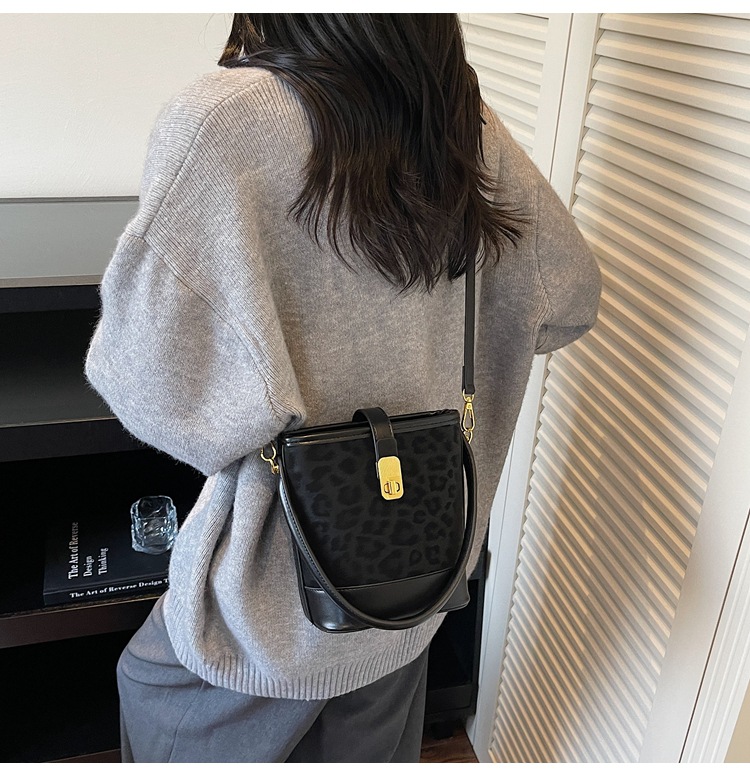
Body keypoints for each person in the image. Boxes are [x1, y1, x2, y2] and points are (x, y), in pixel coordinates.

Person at [83, 13, 601, 763]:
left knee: (151, 685)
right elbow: (567, 298)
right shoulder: (459, 118)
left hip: (268, 609)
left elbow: (153, 390)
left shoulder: (224, 121)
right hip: (414, 578)